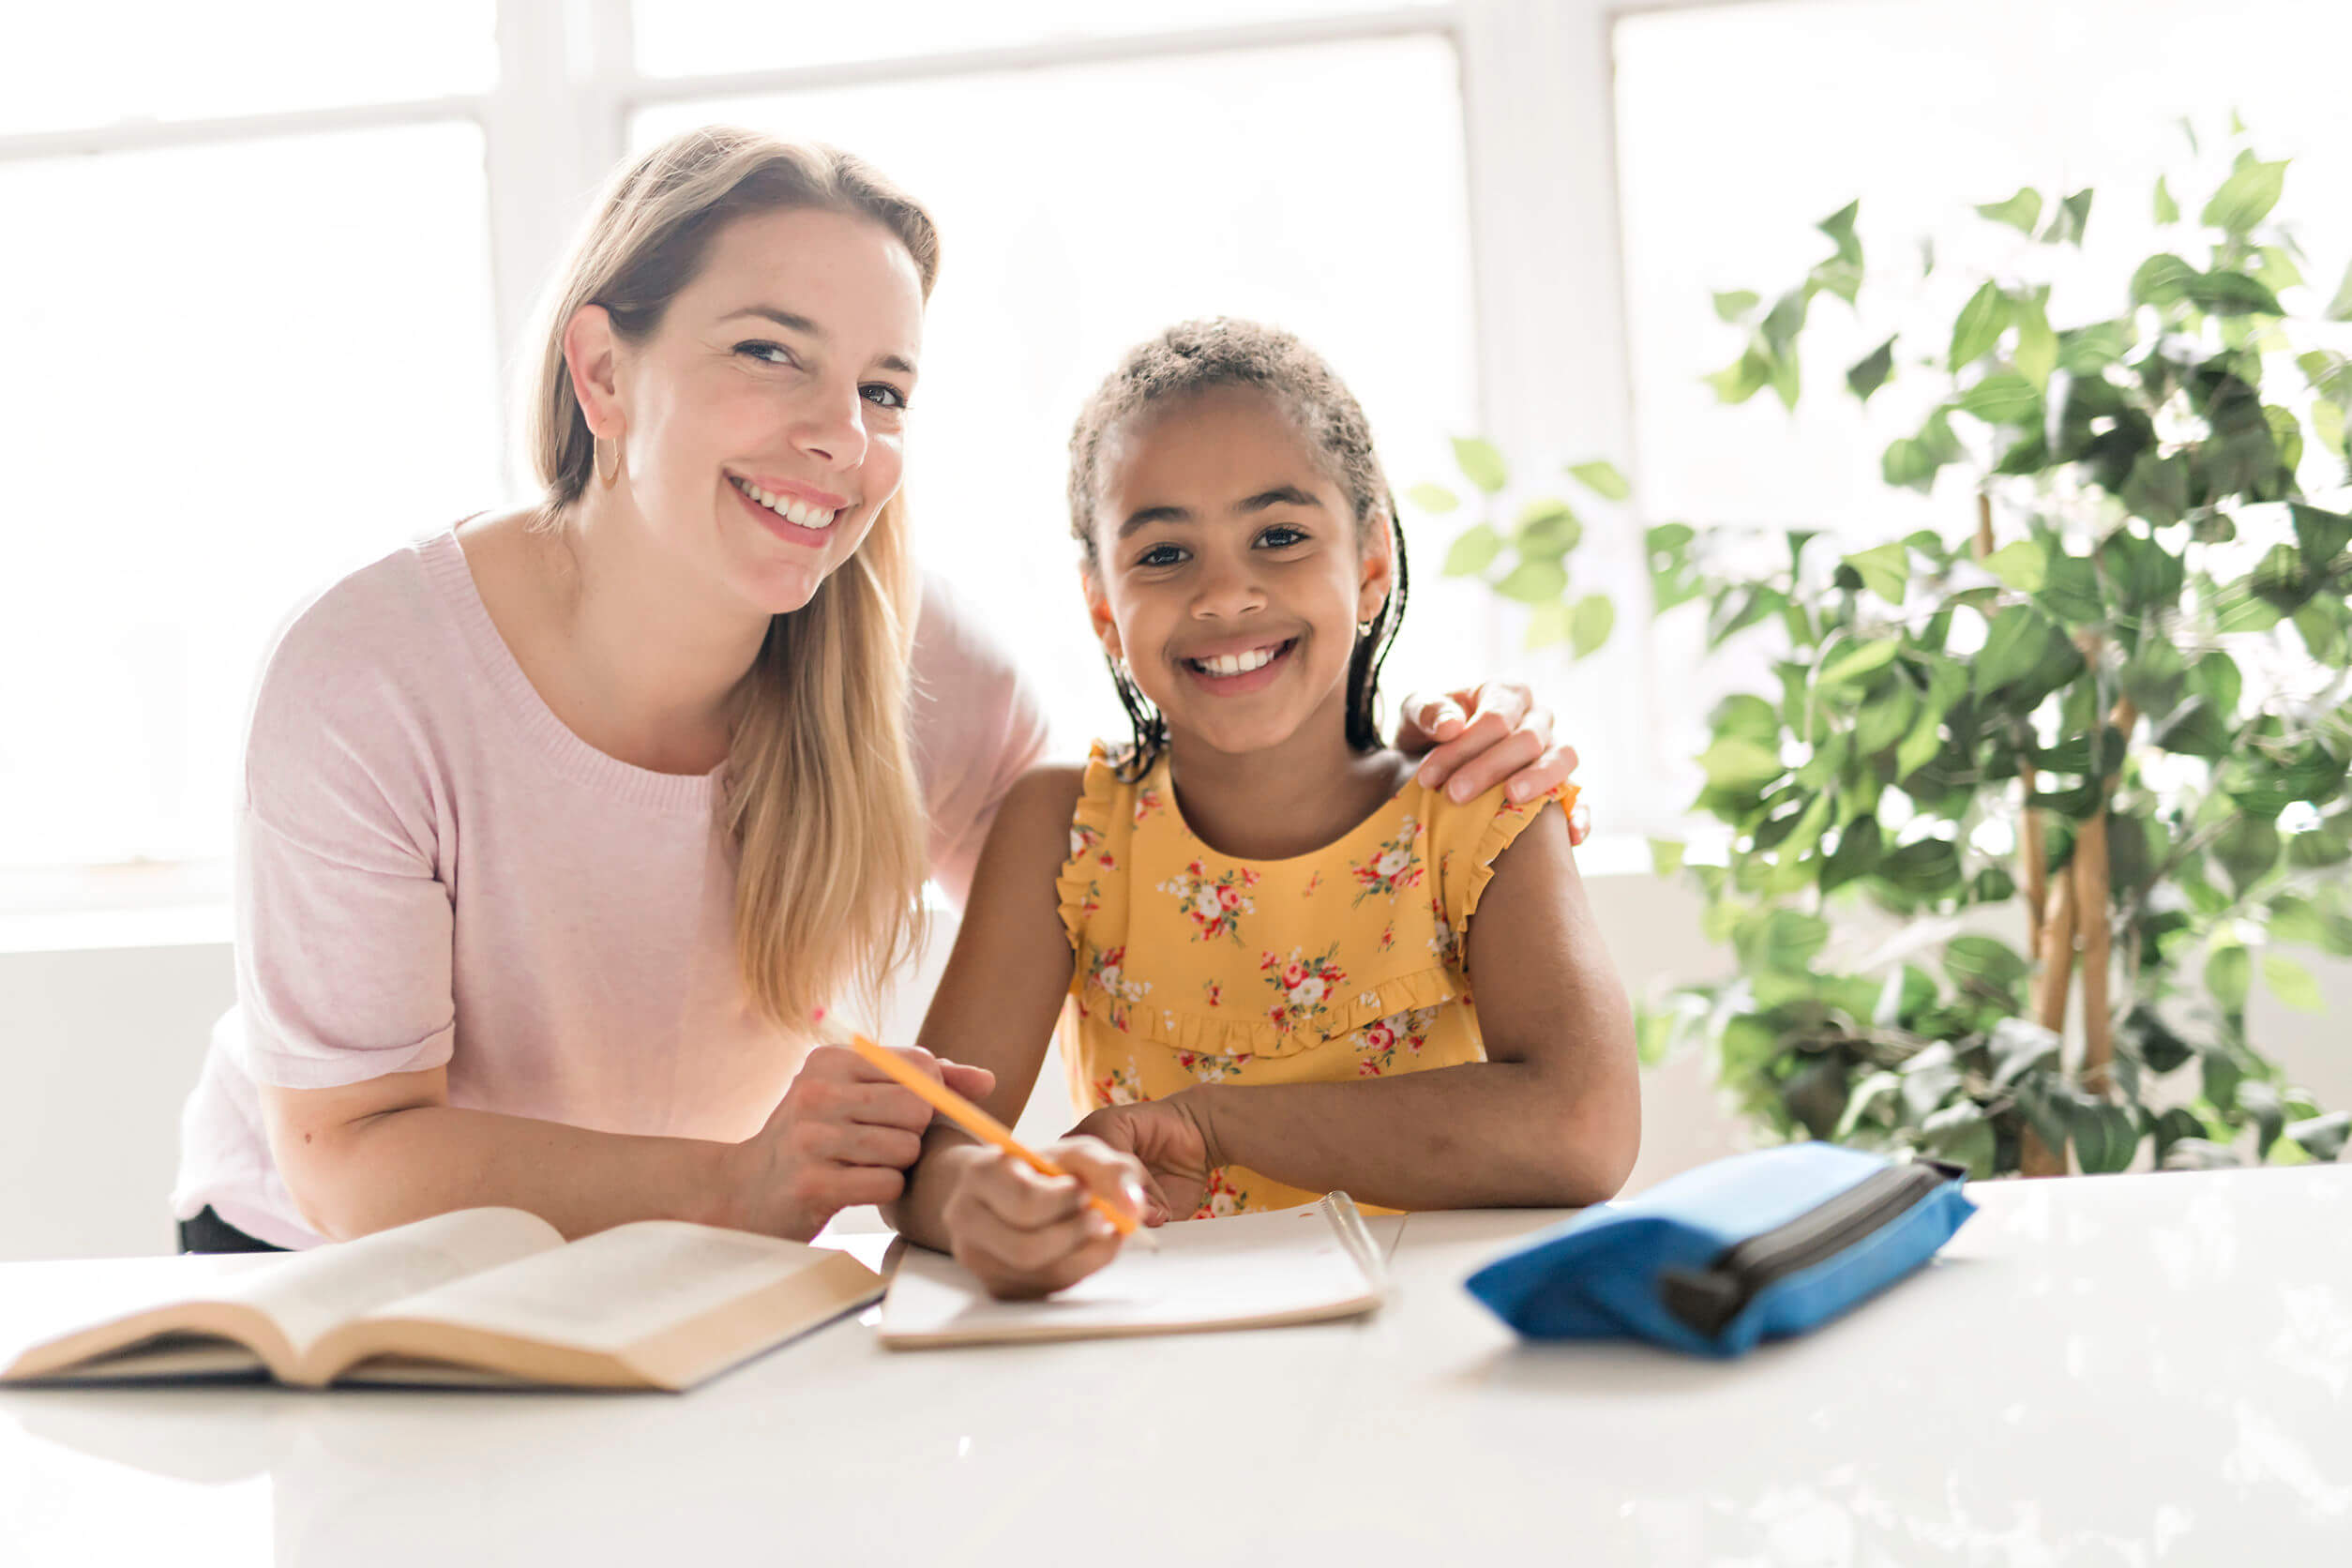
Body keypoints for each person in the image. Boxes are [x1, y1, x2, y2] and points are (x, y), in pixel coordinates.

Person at [170, 129, 1581, 1254]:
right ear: (603, 370)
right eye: (769, 352)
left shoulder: (921, 668)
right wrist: (737, 1183)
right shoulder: (368, 680)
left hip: (695, 1271)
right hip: (341, 1282)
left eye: (885, 389)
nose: (837, 436)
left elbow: (1164, 830)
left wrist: (1434, 757)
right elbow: (350, 1159)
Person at [891, 320, 1640, 1298]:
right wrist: (991, 1203)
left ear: (1371, 566)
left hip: (1438, 1370)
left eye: (1279, 536)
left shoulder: (1478, 805)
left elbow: (1583, 1128)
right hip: (1166, 1374)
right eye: (1164, 553)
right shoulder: (1064, 830)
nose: (1225, 592)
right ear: (1102, 608)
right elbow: (934, 1156)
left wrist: (1212, 1124)